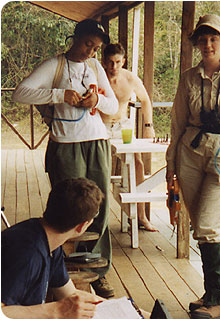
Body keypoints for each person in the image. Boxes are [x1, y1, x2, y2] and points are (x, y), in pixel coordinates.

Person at [12, 19, 119, 298]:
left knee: (101, 207)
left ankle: (97, 271)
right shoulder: (55, 65)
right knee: (71, 208)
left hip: (96, 140)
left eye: (95, 48)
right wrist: (59, 94)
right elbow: (20, 93)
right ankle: (64, 272)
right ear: (76, 38)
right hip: (66, 143)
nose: (90, 52)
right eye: (87, 44)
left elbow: (114, 105)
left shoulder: (95, 67)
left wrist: (96, 101)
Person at [166, 14, 220, 318]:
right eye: (203, 39)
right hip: (190, 152)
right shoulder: (189, 77)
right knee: (201, 227)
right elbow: (176, 123)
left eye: (214, 38)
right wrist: (170, 166)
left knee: (208, 224)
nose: (208, 44)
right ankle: (211, 293)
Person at [1, 178, 105, 318]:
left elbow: (71, 295)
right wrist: (56, 310)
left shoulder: (49, 241)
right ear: (82, 227)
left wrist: (134, 311)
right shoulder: (28, 254)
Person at [101, 43, 157, 232]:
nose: (114, 67)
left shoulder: (130, 78)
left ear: (123, 61)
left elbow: (145, 100)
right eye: (110, 62)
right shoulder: (97, 77)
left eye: (117, 62)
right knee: (99, 168)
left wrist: (148, 126)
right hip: (100, 126)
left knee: (137, 164)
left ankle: (141, 217)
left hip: (123, 126)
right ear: (104, 61)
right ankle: (94, 220)